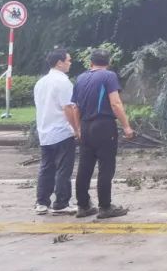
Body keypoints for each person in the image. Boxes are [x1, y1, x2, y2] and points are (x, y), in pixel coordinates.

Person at [70, 49, 134, 219]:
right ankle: (105, 206)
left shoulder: (81, 78)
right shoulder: (109, 76)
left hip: (85, 126)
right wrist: (126, 126)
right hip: (103, 126)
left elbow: (75, 107)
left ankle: (83, 206)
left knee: (84, 167)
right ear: (108, 62)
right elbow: (115, 103)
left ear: (91, 62)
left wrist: (78, 129)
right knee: (106, 167)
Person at [32, 48, 78, 215]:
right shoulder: (63, 82)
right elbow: (68, 108)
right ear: (59, 63)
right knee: (63, 169)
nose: (70, 63)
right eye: (68, 60)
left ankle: (42, 202)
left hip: (44, 131)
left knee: (46, 168)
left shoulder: (41, 82)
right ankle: (61, 203)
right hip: (62, 131)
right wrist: (76, 128)